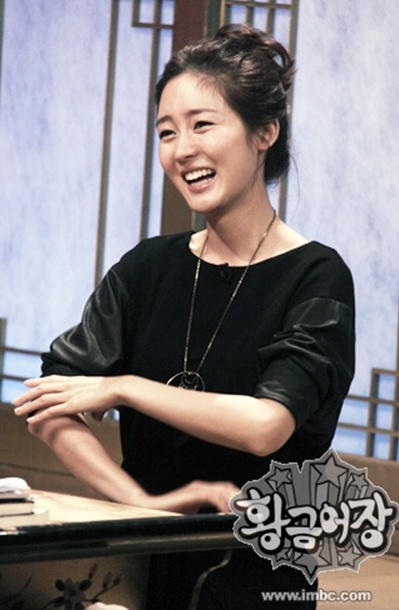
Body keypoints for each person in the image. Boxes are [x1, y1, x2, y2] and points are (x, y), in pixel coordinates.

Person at [13, 24, 355, 609]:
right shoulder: (146, 267)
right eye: (166, 132)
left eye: (202, 124)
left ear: (264, 132)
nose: (181, 149)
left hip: (257, 576)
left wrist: (123, 386)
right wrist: (140, 506)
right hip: (138, 569)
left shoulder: (316, 275)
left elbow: (266, 426)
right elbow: (48, 402)